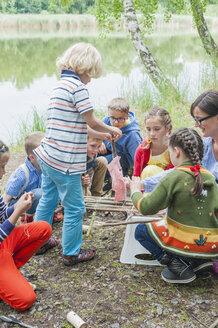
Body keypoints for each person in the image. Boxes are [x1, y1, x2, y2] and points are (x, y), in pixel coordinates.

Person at [33, 42, 122, 265]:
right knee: (75, 207)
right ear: (84, 67)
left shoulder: (59, 85)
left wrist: (103, 134)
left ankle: (37, 241)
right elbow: (91, 120)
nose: (90, 79)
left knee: (48, 199)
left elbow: (82, 126)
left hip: (48, 155)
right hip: (65, 160)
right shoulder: (78, 88)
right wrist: (110, 128)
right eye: (91, 74)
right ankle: (71, 252)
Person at [129, 127, 218, 284]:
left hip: (184, 247)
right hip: (210, 247)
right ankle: (198, 262)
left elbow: (146, 207)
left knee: (141, 231)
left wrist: (135, 191)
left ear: (176, 151)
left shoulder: (174, 176)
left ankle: (176, 265)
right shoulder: (210, 177)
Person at [0, 141, 52, 311]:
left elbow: (2, 216)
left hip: (4, 243)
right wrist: (18, 213)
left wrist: (17, 206)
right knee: (26, 300)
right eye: (1, 167)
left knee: (44, 229)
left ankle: (10, 273)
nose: (3, 172)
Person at [140, 89, 218, 193]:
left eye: (199, 120)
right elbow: (182, 170)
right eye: (195, 120)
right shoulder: (205, 145)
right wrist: (143, 184)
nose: (196, 125)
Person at [99, 97, 142, 190]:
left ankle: (112, 179)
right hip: (110, 150)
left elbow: (138, 160)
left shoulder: (133, 136)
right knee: (91, 152)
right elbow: (95, 132)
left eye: (120, 119)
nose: (115, 122)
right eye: (113, 118)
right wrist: (99, 142)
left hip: (124, 160)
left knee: (98, 166)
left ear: (126, 117)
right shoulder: (107, 120)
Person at [3, 132, 45, 224]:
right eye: (43, 156)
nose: (47, 158)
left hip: (31, 205)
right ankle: (25, 220)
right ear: (32, 157)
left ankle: (41, 215)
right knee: (39, 193)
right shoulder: (22, 174)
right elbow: (6, 199)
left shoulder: (44, 169)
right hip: (16, 206)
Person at [133, 106, 173, 179]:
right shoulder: (142, 150)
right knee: (149, 171)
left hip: (168, 186)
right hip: (146, 188)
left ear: (167, 128)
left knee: (150, 170)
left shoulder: (175, 149)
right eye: (148, 129)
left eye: (157, 129)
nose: (152, 134)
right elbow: (136, 176)